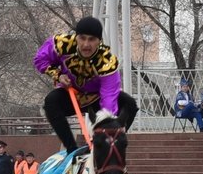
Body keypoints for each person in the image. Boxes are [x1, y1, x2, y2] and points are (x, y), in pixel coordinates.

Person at [34, 16, 138, 153]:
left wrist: (107, 124)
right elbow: (40, 60)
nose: (86, 45)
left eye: (91, 39)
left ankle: (108, 143)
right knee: (51, 101)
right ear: (76, 37)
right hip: (71, 94)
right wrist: (58, 75)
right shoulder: (61, 44)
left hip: (96, 98)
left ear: (99, 41)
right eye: (82, 38)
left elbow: (108, 97)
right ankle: (71, 149)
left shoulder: (107, 61)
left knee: (129, 104)